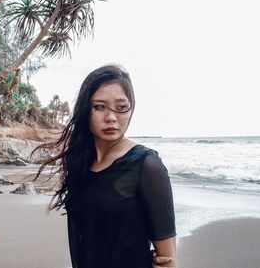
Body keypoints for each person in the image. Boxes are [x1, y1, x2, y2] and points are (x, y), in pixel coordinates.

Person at [32, 65, 177, 268]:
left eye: (121, 107)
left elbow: (168, 261)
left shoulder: (146, 164)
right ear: (85, 109)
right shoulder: (80, 162)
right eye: (100, 106)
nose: (111, 118)